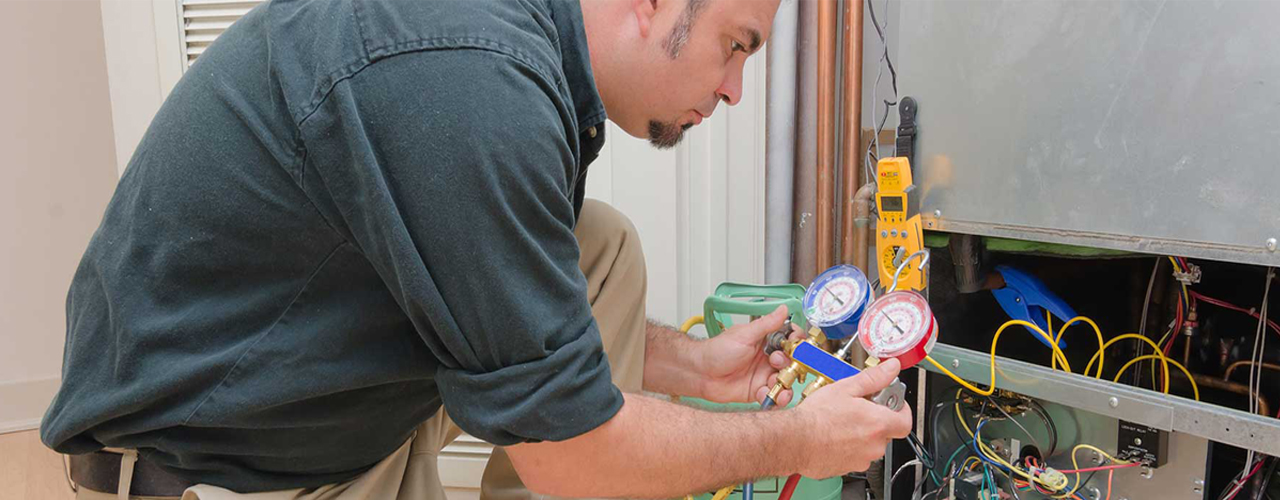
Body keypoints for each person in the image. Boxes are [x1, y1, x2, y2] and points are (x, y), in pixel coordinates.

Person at [41, 0, 913, 498]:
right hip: (225, 467)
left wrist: (692, 364)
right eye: (736, 46)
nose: (732, 88)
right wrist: (795, 441)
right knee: (577, 449)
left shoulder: (518, 51)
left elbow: (501, 294)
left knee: (597, 247)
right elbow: (576, 452)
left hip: (313, 387)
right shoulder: (469, 85)